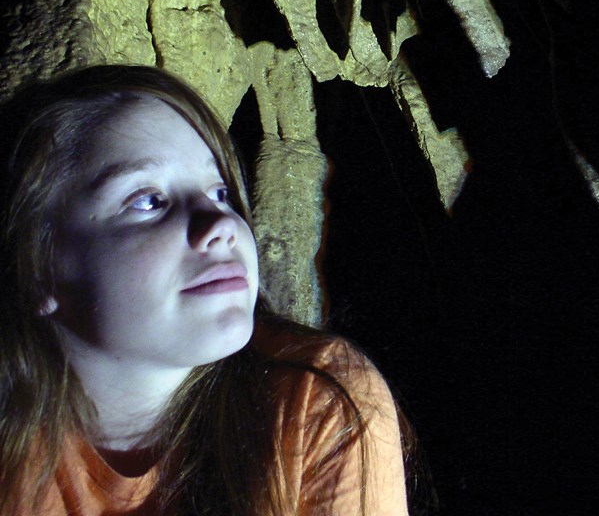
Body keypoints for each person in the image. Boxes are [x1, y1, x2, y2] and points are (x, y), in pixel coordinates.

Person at [0, 65, 412, 515]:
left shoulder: (313, 401)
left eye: (220, 193)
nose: (221, 225)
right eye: (148, 201)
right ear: (39, 267)